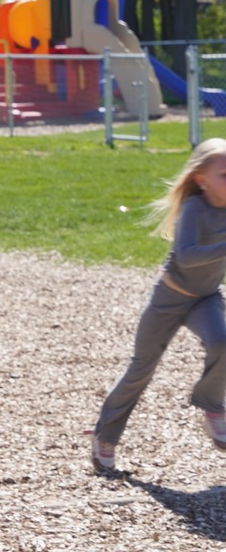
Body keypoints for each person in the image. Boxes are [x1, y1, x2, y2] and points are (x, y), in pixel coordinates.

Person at [91, 138, 226, 472]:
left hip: (206, 297)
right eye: (225, 173)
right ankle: (105, 437)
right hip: (170, 299)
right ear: (201, 180)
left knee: (224, 342)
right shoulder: (194, 208)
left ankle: (211, 406)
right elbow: (187, 256)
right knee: (141, 369)